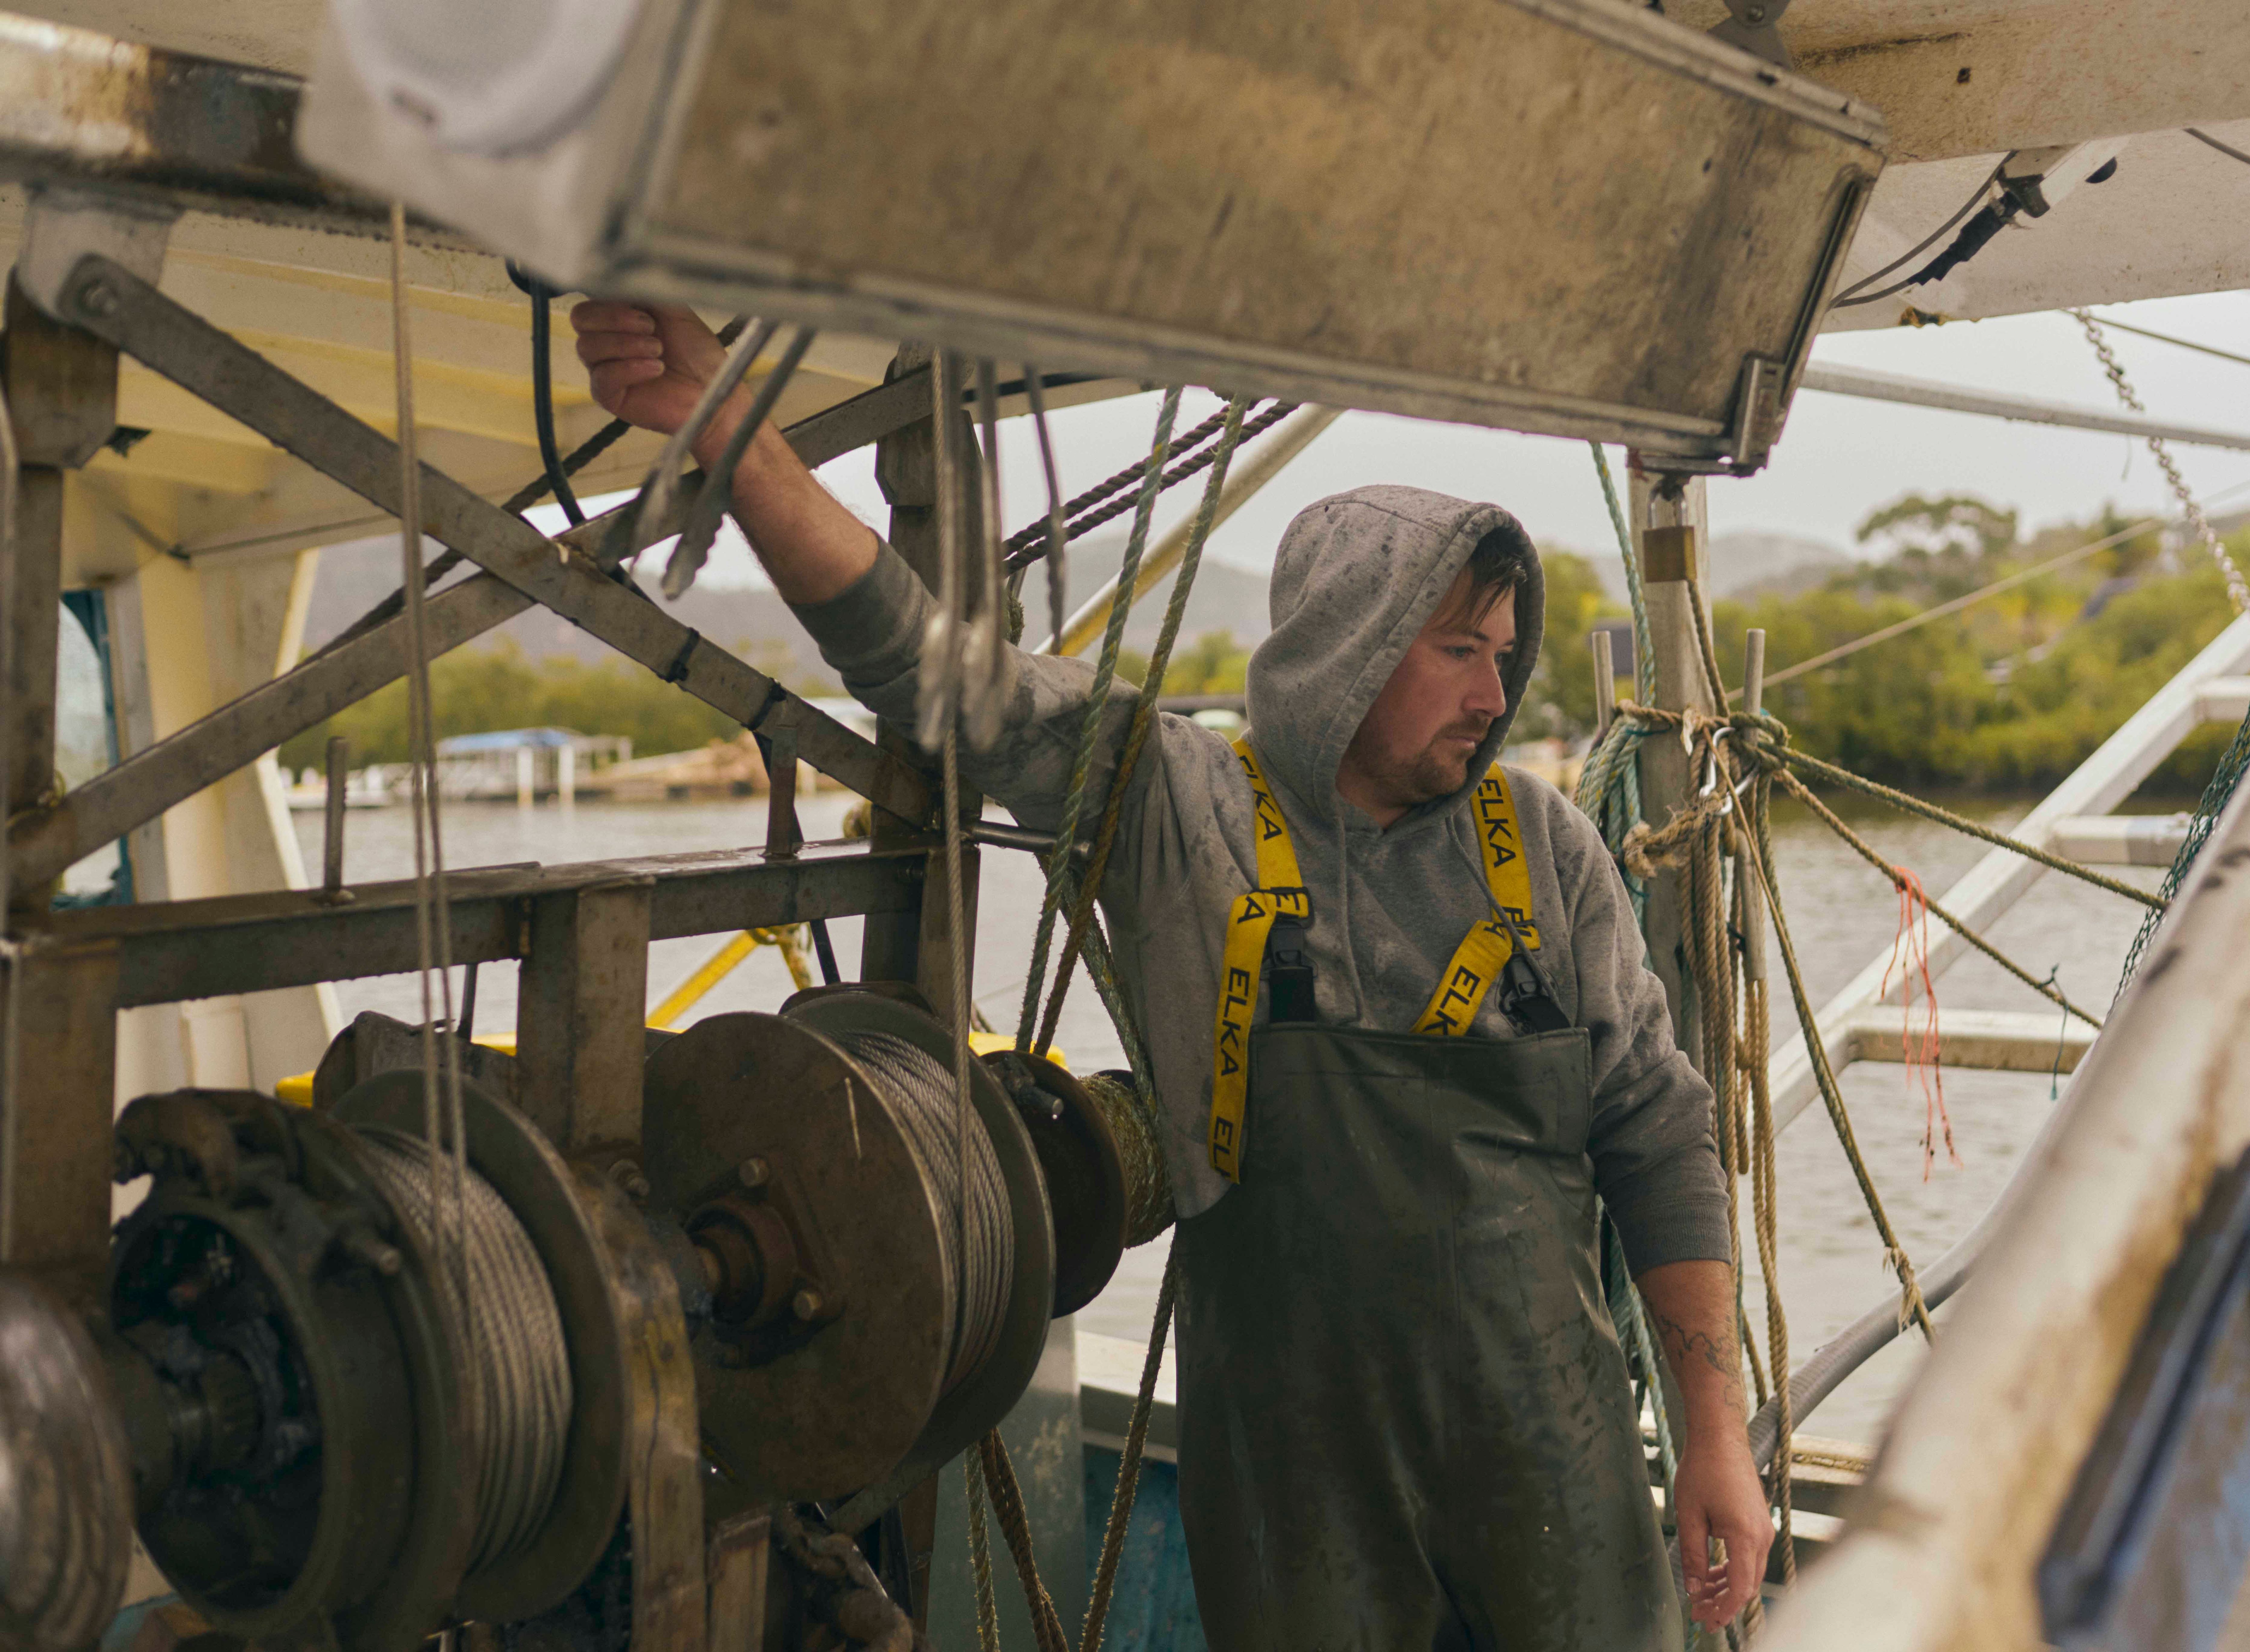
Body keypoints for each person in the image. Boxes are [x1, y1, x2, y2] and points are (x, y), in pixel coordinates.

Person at [575, 302, 1774, 1650]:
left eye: (1502, 655)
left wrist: (1714, 1436)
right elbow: (927, 668)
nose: (1495, 697)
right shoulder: (1169, 801)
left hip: (1555, 1475)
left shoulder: (1545, 846)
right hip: (1298, 1491)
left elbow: (1658, 1136)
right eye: (1458, 651)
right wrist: (741, 443)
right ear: (1350, 643)